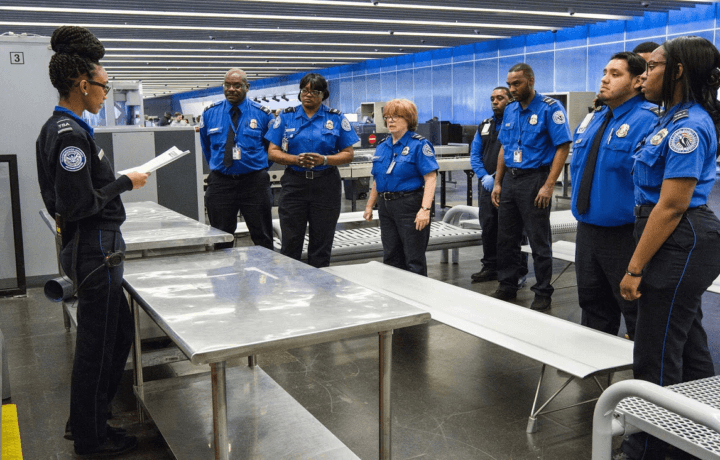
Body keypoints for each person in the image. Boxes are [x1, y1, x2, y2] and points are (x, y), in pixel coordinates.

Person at [35, 25, 149, 457]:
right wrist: (125, 182)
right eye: (104, 85)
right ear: (82, 85)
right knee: (96, 346)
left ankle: (88, 419)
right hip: (93, 247)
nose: (106, 93)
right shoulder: (68, 135)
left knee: (116, 333)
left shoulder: (72, 130)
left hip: (98, 246)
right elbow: (78, 203)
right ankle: (90, 437)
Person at [616, 36, 720, 460]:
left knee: (655, 348)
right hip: (669, 233)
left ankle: (647, 448)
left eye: (653, 67)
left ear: (677, 71)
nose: (644, 76)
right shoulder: (669, 119)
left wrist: (635, 267)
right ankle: (699, 432)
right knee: (688, 340)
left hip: (680, 238)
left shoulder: (689, 127)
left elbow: (673, 203)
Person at [570, 52, 660, 340]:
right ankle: (596, 377)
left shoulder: (649, 121)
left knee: (637, 314)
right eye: (605, 72)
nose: (605, 78)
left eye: (615, 74)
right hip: (587, 232)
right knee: (593, 307)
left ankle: (643, 381)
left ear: (637, 81)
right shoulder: (593, 119)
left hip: (625, 236)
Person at [490, 63, 572, 311]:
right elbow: (504, 147)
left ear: (531, 81)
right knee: (506, 238)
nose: (512, 89)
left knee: (538, 239)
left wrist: (549, 186)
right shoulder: (511, 110)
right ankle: (508, 285)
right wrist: (497, 181)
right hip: (511, 181)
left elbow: (562, 147)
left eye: (517, 84)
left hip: (535, 180)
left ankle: (543, 291)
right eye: (510, 84)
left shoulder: (550, 108)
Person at [266, 73, 359, 268]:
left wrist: (325, 159)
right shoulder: (286, 116)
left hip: (325, 184)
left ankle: (321, 291)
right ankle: (291, 290)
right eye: (304, 90)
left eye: (314, 91)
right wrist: (294, 159)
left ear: (323, 94)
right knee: (291, 242)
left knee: (322, 243)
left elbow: (348, 154)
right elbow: (272, 152)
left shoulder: (336, 117)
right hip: (294, 184)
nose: (308, 95)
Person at [199, 68, 275, 250]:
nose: (231, 89)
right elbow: (206, 147)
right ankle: (225, 277)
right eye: (227, 85)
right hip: (221, 183)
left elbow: (270, 150)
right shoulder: (210, 113)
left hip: (254, 183)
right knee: (220, 238)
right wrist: (222, 166)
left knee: (262, 236)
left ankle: (268, 277)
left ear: (246, 87)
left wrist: (256, 168)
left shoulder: (263, 115)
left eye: (236, 85)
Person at [362, 99, 438, 276]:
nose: (390, 121)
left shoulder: (419, 145)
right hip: (386, 207)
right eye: (387, 117)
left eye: (396, 116)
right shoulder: (382, 146)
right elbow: (378, 178)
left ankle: (416, 299)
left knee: (413, 258)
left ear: (409, 119)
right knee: (390, 257)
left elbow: (431, 178)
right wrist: (369, 205)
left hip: (409, 205)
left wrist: (425, 209)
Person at [469, 87, 528, 283]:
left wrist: (497, 178)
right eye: (492, 98)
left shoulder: (519, 123)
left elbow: (518, 152)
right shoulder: (484, 126)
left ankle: (517, 270)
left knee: (512, 230)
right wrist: (483, 176)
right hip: (486, 186)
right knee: (488, 226)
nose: (495, 101)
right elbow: (475, 154)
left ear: (511, 100)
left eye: (500, 98)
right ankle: (490, 266)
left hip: (510, 184)